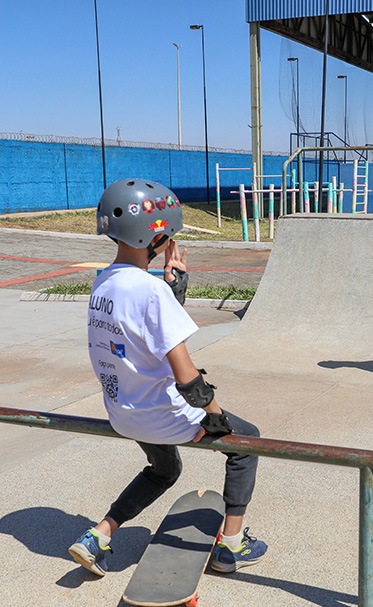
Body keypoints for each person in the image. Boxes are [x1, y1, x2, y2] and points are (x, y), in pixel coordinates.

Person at [68, 179, 267, 576]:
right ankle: (231, 546)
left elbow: (141, 334)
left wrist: (172, 289)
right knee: (247, 442)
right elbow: (187, 378)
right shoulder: (150, 293)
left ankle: (98, 536)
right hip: (164, 416)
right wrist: (215, 417)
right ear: (156, 237)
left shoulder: (102, 283)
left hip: (123, 413)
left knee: (165, 470)